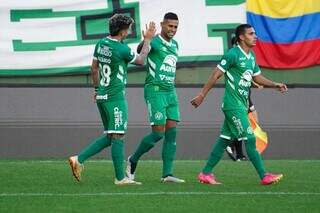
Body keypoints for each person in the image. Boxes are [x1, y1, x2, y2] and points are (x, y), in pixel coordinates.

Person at [190, 24, 287, 185]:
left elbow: (257, 77)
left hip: (241, 105)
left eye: (255, 33)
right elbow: (215, 75)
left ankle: (205, 173)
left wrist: (274, 84)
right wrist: (202, 95)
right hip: (232, 105)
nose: (255, 36)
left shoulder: (251, 56)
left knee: (224, 139)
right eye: (251, 34)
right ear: (241, 37)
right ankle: (264, 175)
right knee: (249, 138)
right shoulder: (233, 54)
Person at [68, 14, 156, 185]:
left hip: (102, 95)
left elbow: (94, 69)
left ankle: (79, 159)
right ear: (123, 31)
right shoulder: (121, 49)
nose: (129, 31)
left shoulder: (101, 43)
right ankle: (120, 178)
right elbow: (140, 60)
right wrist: (147, 40)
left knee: (111, 136)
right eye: (129, 28)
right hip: (115, 98)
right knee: (118, 135)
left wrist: (96, 89)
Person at [126, 12, 185, 183]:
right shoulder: (155, 41)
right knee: (158, 134)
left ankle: (167, 174)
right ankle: (133, 160)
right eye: (170, 26)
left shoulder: (175, 45)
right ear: (162, 24)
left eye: (175, 26)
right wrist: (147, 39)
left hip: (170, 92)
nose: (172, 29)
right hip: (155, 91)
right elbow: (140, 52)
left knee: (172, 133)